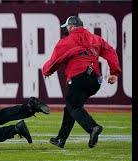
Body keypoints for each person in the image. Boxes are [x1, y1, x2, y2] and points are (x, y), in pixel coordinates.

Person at [42, 16, 121, 148]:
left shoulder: (66, 41)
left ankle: (93, 128)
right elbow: (111, 52)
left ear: (71, 27)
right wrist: (114, 72)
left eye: (67, 27)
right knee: (71, 107)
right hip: (94, 81)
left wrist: (46, 71)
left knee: (73, 106)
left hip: (78, 78)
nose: (66, 29)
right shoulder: (96, 39)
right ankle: (61, 139)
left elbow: (55, 61)